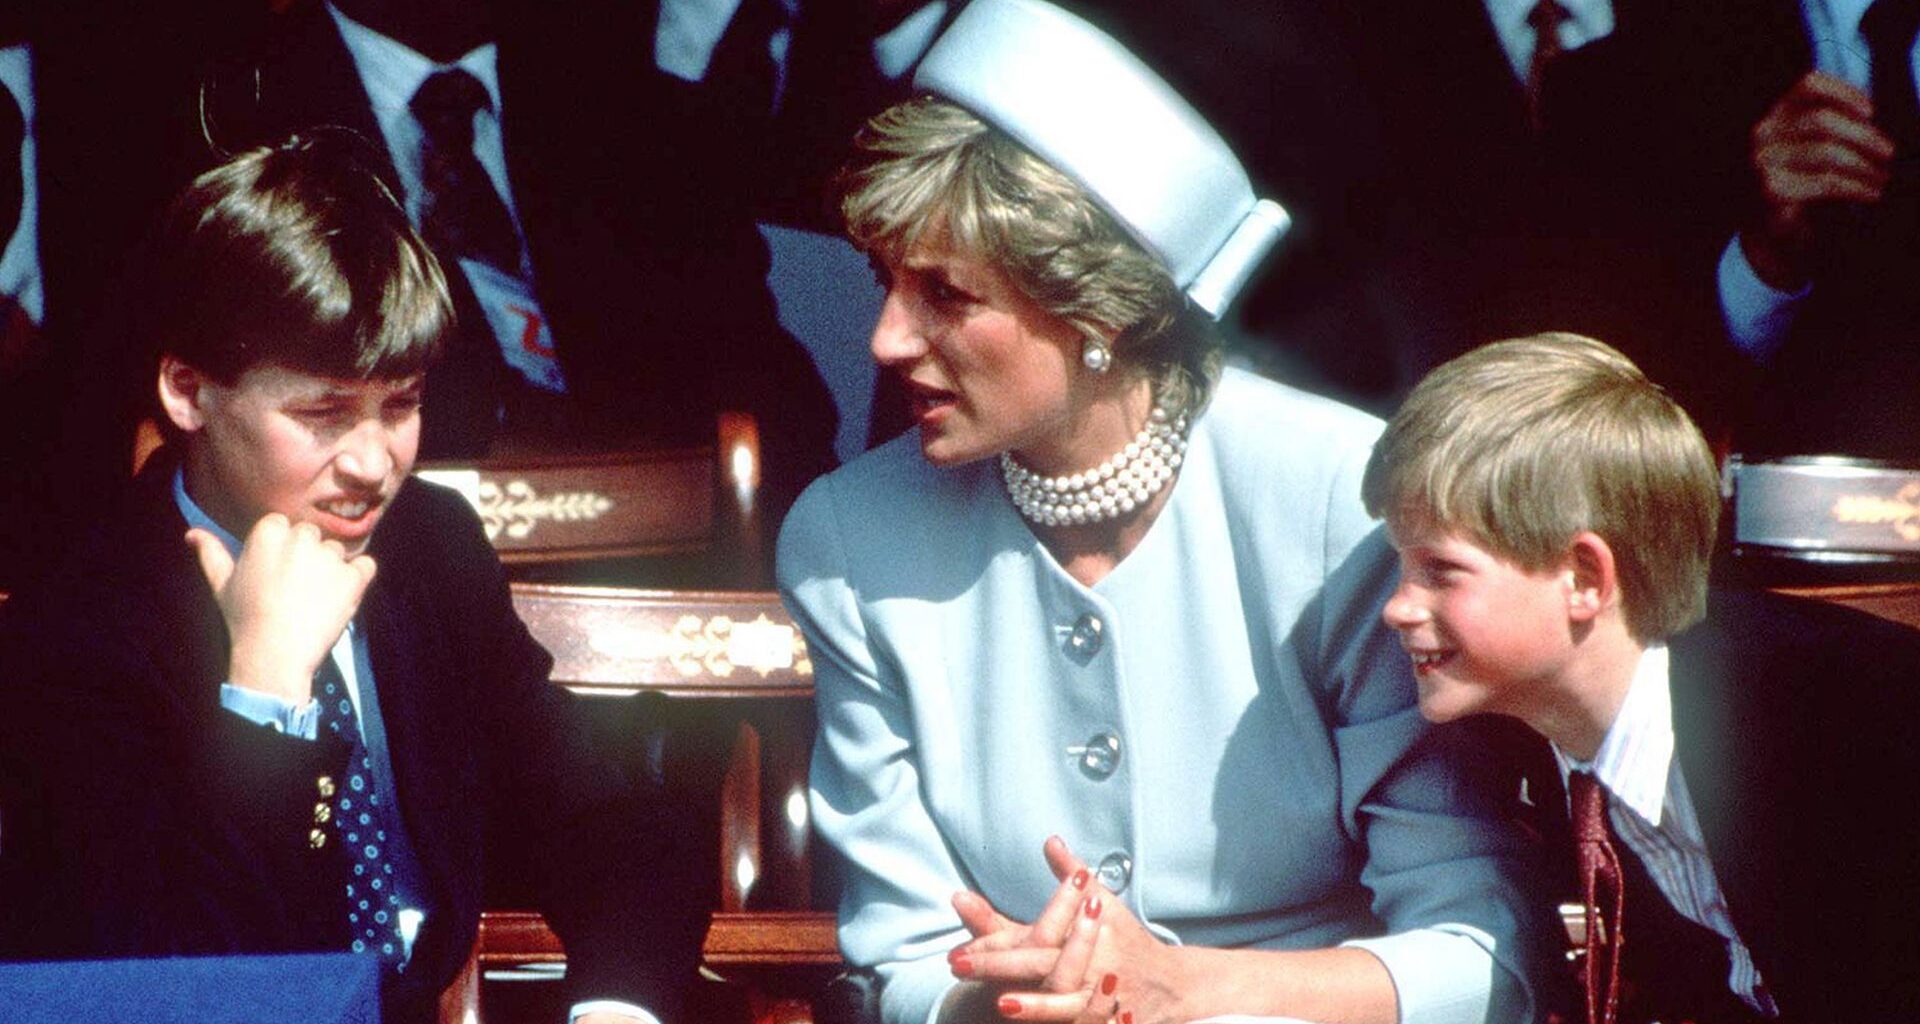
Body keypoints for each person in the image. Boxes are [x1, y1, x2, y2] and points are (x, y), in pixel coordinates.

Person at [776, 2, 1559, 1022]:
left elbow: (1481, 952)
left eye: (946, 294)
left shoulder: (1346, 503)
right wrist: (1039, 1001)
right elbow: (902, 955)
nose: (884, 340)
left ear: (1097, 306)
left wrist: (1187, 992)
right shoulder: (847, 542)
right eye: (884, 282)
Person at [0, 135, 704, 1023]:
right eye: (325, 413)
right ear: (186, 391)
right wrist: (266, 695)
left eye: (401, 404)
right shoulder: (81, 615)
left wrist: (615, 1009)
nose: (375, 463)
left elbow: (608, 813)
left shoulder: (427, 551)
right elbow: (185, 980)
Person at [1364, 333, 1920, 1022]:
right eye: (1398, 567)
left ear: (1585, 578)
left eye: (1440, 570)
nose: (1397, 607)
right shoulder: (1530, 752)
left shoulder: (1842, 723)